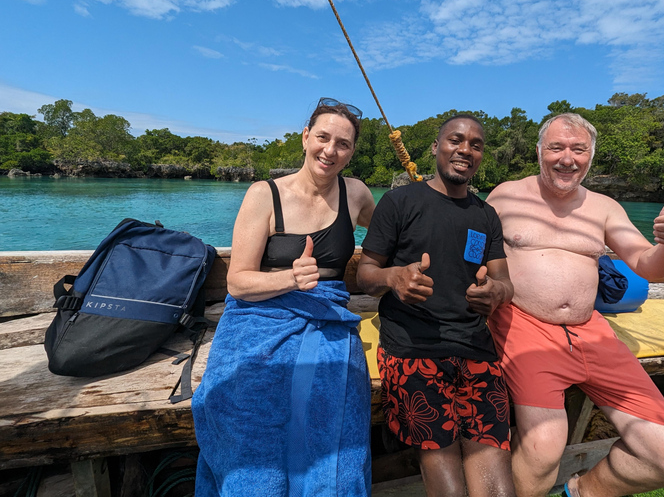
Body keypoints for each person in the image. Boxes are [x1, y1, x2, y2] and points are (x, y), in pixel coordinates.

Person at [486, 113, 664, 497]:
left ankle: (581, 491)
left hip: (593, 332)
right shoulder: (505, 195)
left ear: (591, 156)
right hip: (524, 327)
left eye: (578, 149)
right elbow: (472, 255)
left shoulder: (604, 207)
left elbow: (649, 267)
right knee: (542, 448)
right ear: (538, 152)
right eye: (556, 147)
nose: (567, 158)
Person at [191, 98, 376, 497]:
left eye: (342, 144)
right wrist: (291, 278)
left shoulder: (357, 194)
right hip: (260, 316)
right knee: (247, 417)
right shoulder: (264, 194)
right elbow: (237, 283)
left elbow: (395, 235)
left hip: (328, 316)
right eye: (322, 137)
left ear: (352, 152)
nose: (330, 150)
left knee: (337, 425)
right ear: (305, 137)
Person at [357, 115, 516, 497]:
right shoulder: (399, 202)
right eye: (455, 140)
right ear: (435, 147)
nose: (465, 149)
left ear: (481, 156)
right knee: (447, 483)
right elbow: (365, 273)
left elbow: (506, 283)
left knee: (497, 484)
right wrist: (394, 278)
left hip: (476, 347)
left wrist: (496, 292)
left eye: (476, 145)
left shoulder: (485, 214)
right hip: (413, 348)